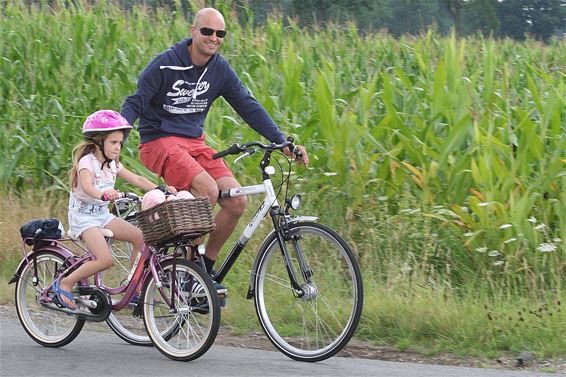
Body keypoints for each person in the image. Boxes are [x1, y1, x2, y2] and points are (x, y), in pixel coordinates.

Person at [120, 8, 309, 294]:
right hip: (159, 140)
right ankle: (186, 265)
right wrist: (119, 133)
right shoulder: (165, 65)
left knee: (236, 201)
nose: (214, 38)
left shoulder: (219, 69)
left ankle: (202, 273)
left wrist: (281, 141)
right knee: (208, 190)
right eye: (207, 31)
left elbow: (247, 105)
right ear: (193, 30)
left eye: (220, 33)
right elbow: (135, 101)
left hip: (195, 143)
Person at [54, 110, 176, 310]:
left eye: (120, 143)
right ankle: (66, 283)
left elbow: (136, 179)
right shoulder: (87, 163)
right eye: (113, 143)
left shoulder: (113, 164)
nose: (118, 147)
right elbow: (86, 186)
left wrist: (160, 189)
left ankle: (134, 289)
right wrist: (103, 194)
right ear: (99, 142)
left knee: (141, 238)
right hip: (83, 218)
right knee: (105, 259)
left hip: (102, 215)